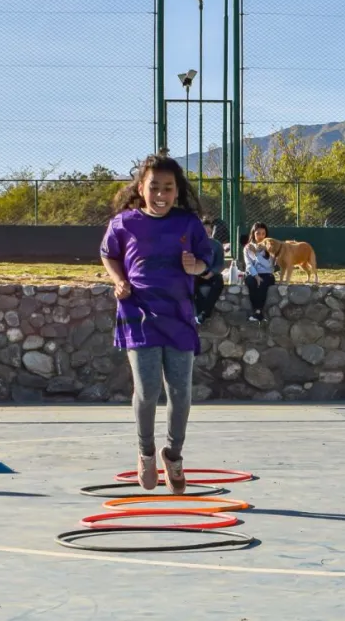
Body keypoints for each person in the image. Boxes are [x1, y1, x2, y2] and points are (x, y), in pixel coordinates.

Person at [100, 151, 213, 495]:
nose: (161, 195)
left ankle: (173, 455)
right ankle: (146, 452)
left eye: (168, 188)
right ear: (141, 188)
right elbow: (108, 254)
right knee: (147, 391)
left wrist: (197, 268)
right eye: (154, 187)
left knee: (180, 394)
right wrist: (118, 280)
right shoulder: (124, 222)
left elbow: (211, 264)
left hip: (179, 317)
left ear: (177, 190)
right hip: (138, 316)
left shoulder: (189, 225)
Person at [194, 216, 226, 325]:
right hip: (196, 273)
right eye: (204, 231)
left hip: (211, 273)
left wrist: (211, 273)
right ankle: (198, 312)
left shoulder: (217, 245)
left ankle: (204, 313)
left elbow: (220, 264)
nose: (207, 233)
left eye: (209, 231)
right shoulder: (193, 244)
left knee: (219, 281)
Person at [243, 221, 274, 323]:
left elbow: (268, 266)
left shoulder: (269, 247)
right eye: (258, 233)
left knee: (262, 284)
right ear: (253, 234)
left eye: (263, 234)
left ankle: (258, 312)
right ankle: (258, 312)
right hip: (253, 273)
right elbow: (248, 264)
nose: (261, 236)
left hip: (267, 274)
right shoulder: (248, 247)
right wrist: (256, 275)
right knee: (252, 282)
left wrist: (256, 254)